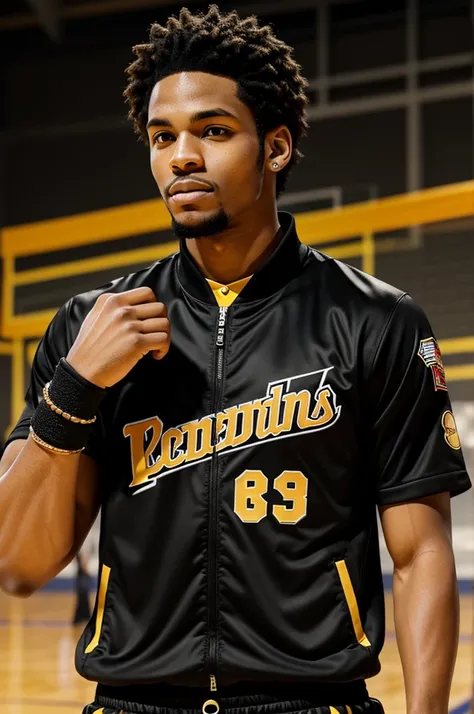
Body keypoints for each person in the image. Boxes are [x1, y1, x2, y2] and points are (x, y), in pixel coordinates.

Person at [0, 5, 471, 714]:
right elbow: (18, 566)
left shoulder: (377, 319)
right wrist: (74, 389)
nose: (181, 156)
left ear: (275, 148)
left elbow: (419, 555)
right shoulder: (91, 327)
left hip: (314, 702)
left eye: (212, 131)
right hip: (133, 703)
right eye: (163, 138)